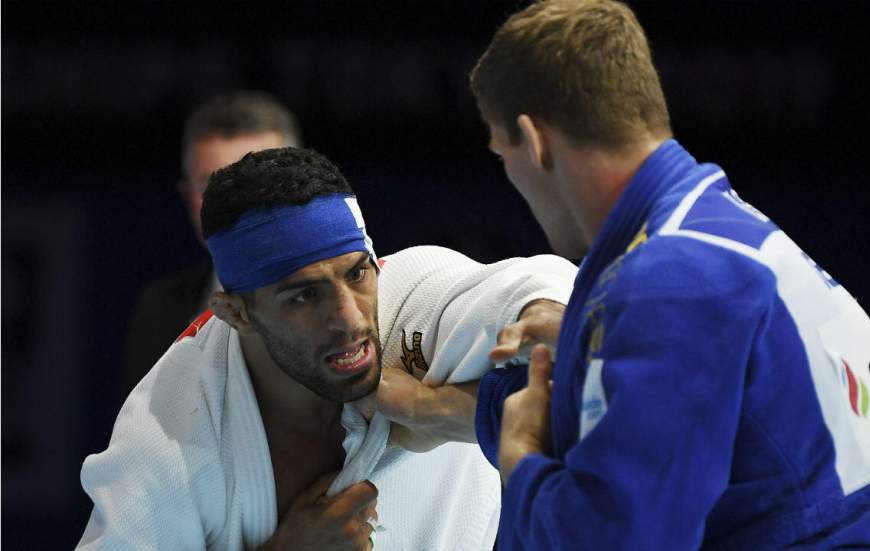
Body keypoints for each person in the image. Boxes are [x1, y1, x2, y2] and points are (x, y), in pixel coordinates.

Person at [467, 1, 870, 549]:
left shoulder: (672, 279)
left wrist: (522, 462)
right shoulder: (716, 233)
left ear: (534, 141)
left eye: (500, 151)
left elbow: (619, 540)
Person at [78, 147, 577, 550]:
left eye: (357, 272)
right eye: (304, 295)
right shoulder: (171, 442)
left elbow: (530, 283)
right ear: (236, 313)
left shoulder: (409, 300)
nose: (350, 318)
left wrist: (434, 407)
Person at [121, 91, 300, 398]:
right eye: (212, 186)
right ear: (187, 195)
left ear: (300, 184)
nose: (236, 204)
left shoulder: (360, 299)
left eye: (259, 181)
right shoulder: (158, 310)